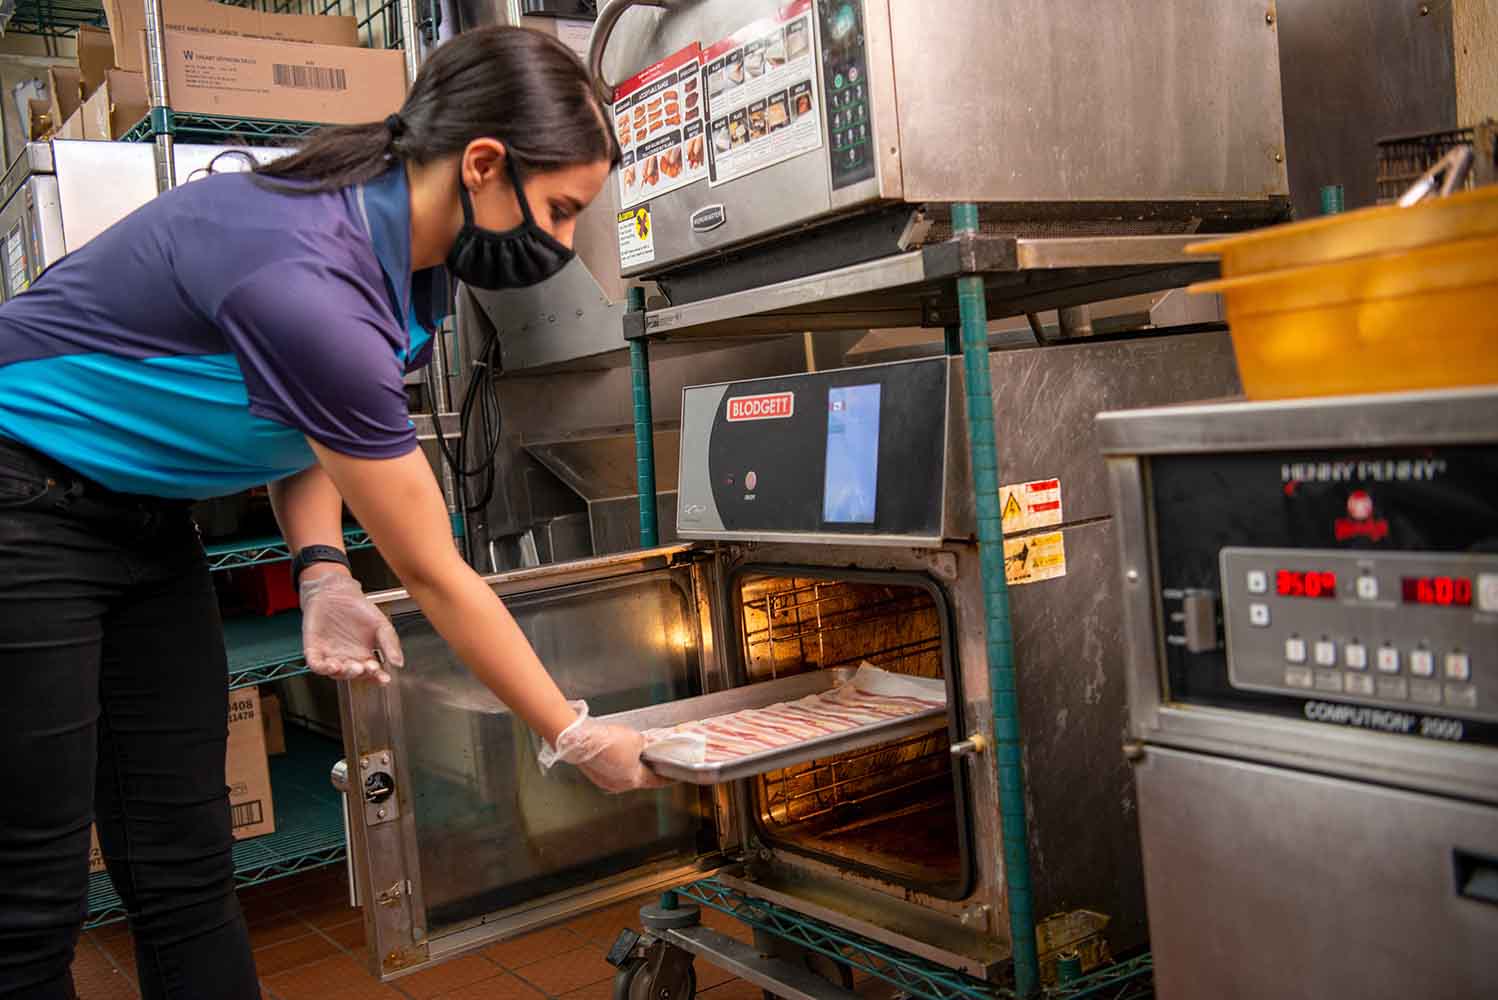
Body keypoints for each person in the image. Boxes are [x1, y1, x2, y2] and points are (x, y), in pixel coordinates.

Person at [0, 26, 660, 1000]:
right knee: (30, 900)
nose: (561, 242)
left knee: (185, 861)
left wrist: (322, 569)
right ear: (484, 165)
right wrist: (568, 731)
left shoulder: (407, 256)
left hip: (145, 519)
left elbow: (302, 424)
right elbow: (438, 574)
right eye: (560, 210)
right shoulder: (311, 269)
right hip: (23, 505)